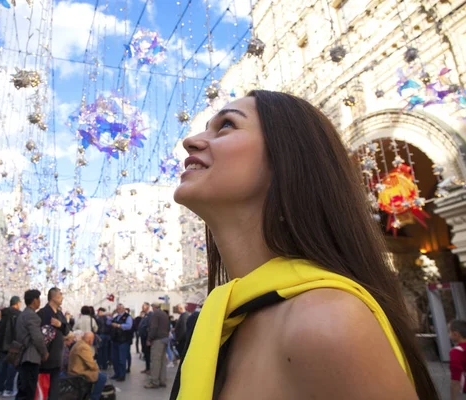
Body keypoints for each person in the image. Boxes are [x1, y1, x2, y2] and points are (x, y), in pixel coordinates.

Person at [170, 90, 438, 399]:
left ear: (288, 162)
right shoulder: (230, 320)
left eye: (227, 125)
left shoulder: (328, 321)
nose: (191, 141)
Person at [37, 287, 70, 400]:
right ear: (53, 297)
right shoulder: (42, 313)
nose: (62, 297)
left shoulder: (60, 314)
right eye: (60, 295)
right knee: (43, 387)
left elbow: (67, 330)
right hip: (45, 356)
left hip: (57, 355)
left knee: (54, 388)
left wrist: (59, 324)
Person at [15, 289, 48, 400]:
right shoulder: (33, 316)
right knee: (29, 391)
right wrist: (44, 352)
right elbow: (37, 338)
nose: (39, 301)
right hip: (31, 357)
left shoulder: (23, 314)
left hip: (22, 356)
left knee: (23, 389)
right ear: (34, 300)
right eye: (38, 299)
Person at [68, 332, 107, 400]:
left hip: (74, 368)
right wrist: (97, 369)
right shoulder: (84, 347)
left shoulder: (79, 343)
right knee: (102, 377)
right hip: (77, 371)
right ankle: (94, 398)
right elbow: (91, 364)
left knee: (99, 374)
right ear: (90, 340)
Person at [0, 296, 21, 397]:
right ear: (17, 303)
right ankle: (8, 389)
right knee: (11, 368)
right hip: (13, 344)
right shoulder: (18, 314)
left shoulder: (4, 313)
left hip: (3, 344)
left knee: (1, 367)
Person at [144, 302, 169, 389]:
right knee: (162, 361)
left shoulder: (155, 314)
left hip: (157, 339)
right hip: (165, 338)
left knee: (155, 361)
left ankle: (154, 381)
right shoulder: (164, 314)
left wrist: (149, 338)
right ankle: (162, 380)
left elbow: (154, 327)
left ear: (153, 307)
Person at [109, 303, 132, 382]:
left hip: (123, 341)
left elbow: (129, 326)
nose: (118, 310)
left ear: (123, 309)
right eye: (117, 308)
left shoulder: (128, 317)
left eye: (119, 308)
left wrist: (119, 326)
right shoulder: (116, 317)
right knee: (115, 358)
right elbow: (108, 322)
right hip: (115, 340)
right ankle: (117, 373)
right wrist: (112, 314)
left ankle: (122, 375)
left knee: (122, 359)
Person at [449, 319, 466, 400]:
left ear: (456, 334)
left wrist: (453, 397)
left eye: (449, 332)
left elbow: (456, 379)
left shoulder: (456, 351)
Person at [137, 302, 152, 374]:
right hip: (143, 336)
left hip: (146, 337)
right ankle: (147, 367)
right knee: (145, 353)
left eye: (143, 306)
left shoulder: (150, 315)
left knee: (148, 353)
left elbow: (149, 325)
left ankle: (149, 368)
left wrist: (149, 338)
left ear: (147, 307)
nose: (142, 308)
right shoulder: (145, 315)